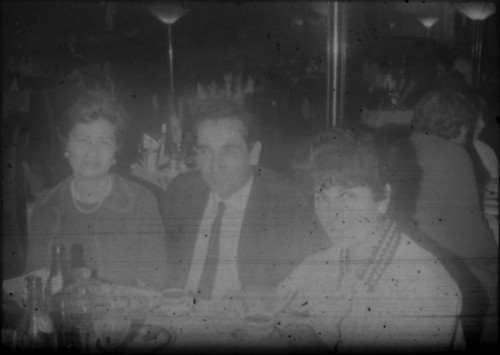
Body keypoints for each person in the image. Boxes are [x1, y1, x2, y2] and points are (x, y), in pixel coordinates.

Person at [279, 129, 464, 352]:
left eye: (347, 195)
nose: (332, 214)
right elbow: (276, 307)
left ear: (383, 198)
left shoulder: (425, 285)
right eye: (321, 197)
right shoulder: (320, 264)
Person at [160, 100, 330, 302]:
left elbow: (320, 285)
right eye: (205, 151)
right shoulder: (181, 192)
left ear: (254, 153)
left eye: (228, 151)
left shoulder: (288, 203)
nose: (215, 165)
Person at [24, 94, 169, 291]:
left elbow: (155, 286)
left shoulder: (141, 202)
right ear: (66, 147)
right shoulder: (45, 207)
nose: (92, 152)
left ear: (115, 152)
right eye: (83, 140)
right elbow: (34, 287)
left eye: (104, 142)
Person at [410, 89, 498, 346]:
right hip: (442, 263)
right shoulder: (453, 154)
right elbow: (473, 236)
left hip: (417, 250)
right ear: (459, 125)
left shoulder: (412, 142)